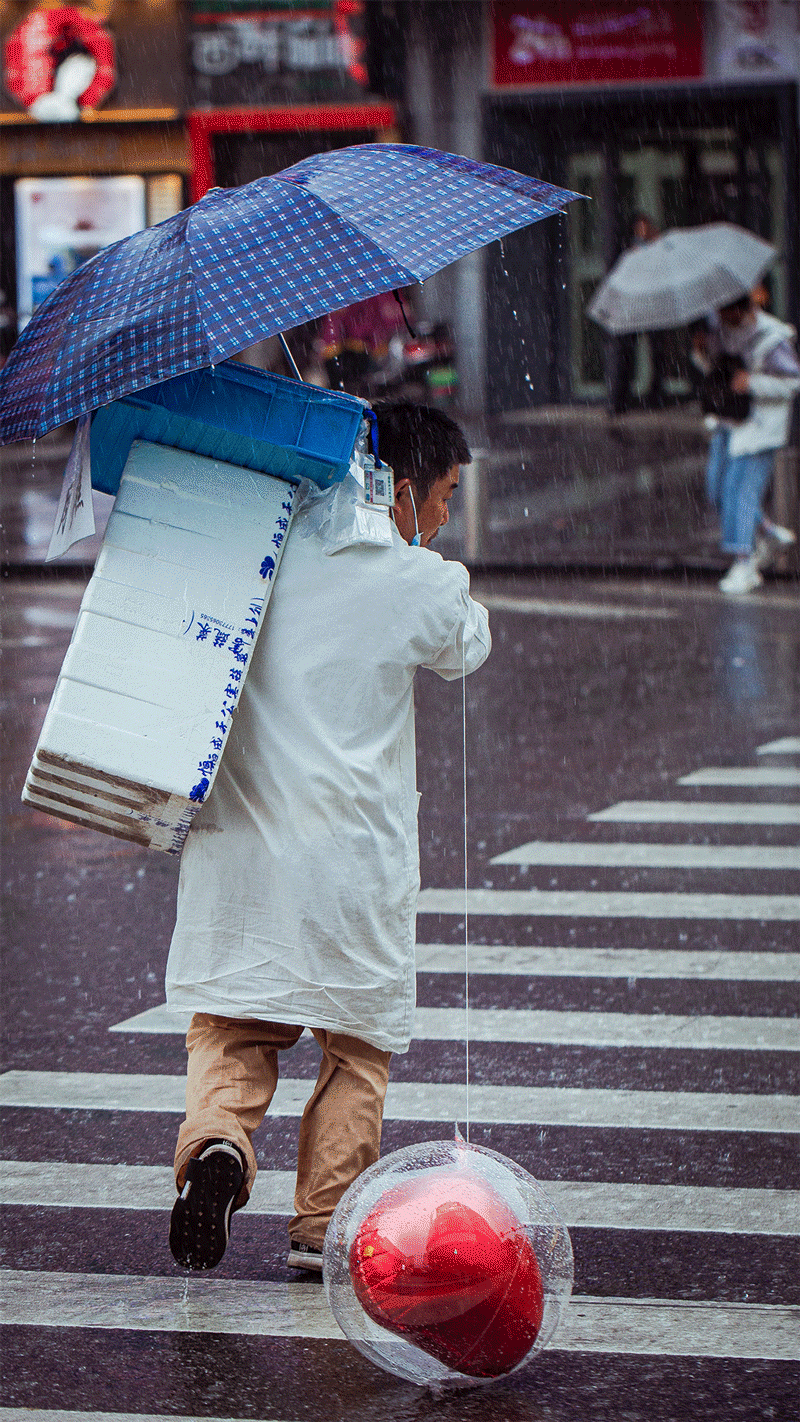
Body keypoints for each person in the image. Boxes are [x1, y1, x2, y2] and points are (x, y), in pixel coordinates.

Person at [165, 401, 491, 1274]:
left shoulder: (260, 553)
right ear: (407, 488)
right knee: (357, 1045)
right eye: (447, 495)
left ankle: (220, 1146)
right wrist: (421, 564)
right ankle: (322, 1224)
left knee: (235, 1026)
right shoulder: (415, 578)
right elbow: (468, 645)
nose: (449, 516)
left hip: (245, 847)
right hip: (352, 856)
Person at [692, 293, 799, 595]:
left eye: (726, 309)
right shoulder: (721, 332)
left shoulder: (772, 337)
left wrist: (753, 383)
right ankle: (766, 531)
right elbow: (717, 371)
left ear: (742, 308)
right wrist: (701, 353)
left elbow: (793, 382)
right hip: (729, 420)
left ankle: (745, 562)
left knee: (739, 491)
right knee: (717, 489)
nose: (720, 315)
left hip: (759, 426)